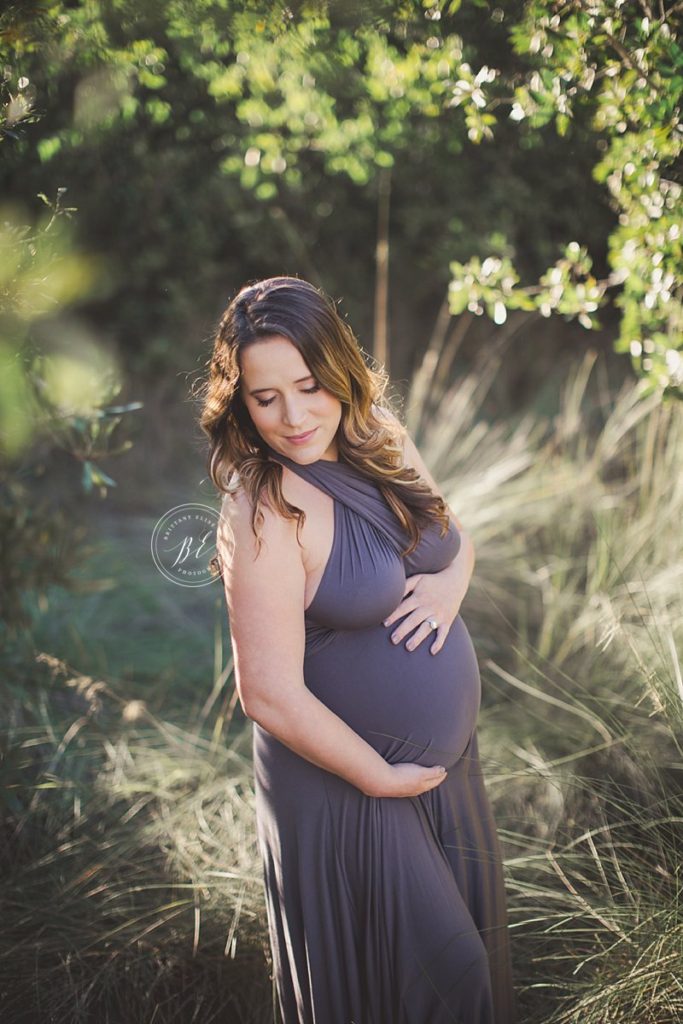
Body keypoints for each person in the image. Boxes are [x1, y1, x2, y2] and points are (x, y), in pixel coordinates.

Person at [200, 275, 517, 1024]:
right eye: (263, 396)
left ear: (338, 371)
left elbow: (454, 538)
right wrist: (377, 778)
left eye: (308, 386)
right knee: (443, 980)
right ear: (239, 401)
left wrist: (445, 589)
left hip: (433, 775)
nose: (292, 416)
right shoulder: (262, 507)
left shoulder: (380, 436)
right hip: (347, 784)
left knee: (461, 972)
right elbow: (267, 693)